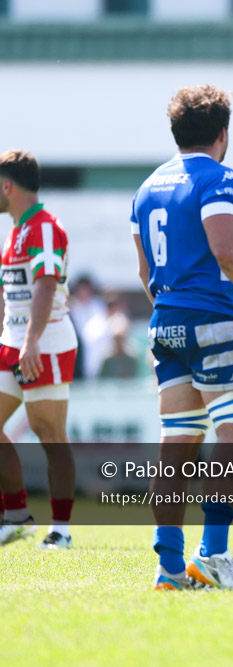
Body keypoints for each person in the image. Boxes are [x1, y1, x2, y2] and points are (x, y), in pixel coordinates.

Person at [131, 85, 233, 591]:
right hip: (212, 318)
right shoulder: (220, 177)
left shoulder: (148, 186)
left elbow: (144, 269)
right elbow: (227, 249)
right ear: (223, 134)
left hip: (166, 321)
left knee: (178, 441)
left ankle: (169, 566)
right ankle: (214, 554)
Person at [0, 150, 79, 550]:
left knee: (49, 432)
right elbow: (10, 293)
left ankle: (61, 529)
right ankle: (15, 516)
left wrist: (31, 341)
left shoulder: (45, 227)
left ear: (7, 186)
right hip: (13, 343)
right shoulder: (16, 229)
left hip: (45, 344)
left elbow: (46, 286)